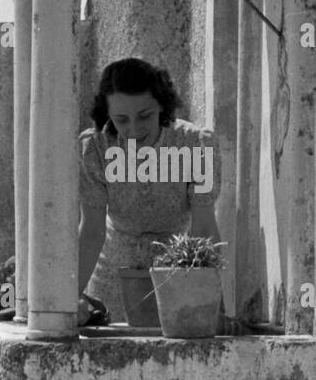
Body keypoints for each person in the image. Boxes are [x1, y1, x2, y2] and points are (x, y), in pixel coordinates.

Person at [78, 57, 221, 325]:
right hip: (111, 276)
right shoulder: (95, 147)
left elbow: (204, 228)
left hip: (176, 275)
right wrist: (67, 303)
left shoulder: (196, 145)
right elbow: (91, 231)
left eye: (145, 116)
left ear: (162, 106)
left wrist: (207, 305)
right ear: (107, 116)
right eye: (121, 120)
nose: (134, 129)